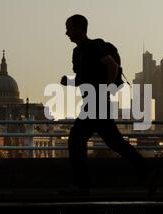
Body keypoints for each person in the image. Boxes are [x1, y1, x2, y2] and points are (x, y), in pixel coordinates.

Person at [60, 14, 157, 195]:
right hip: (93, 103)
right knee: (115, 143)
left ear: (81, 28)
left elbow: (112, 66)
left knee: (76, 139)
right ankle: (148, 171)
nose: (67, 33)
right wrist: (70, 82)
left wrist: (104, 90)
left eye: (69, 28)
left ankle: (81, 185)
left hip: (97, 103)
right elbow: (85, 79)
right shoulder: (77, 53)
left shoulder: (94, 47)